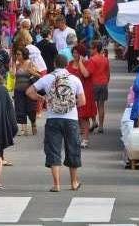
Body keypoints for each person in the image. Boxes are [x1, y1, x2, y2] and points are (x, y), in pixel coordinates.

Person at [26, 55, 86, 192]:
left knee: (53, 150)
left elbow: (29, 92)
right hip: (71, 119)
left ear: (54, 63)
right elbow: (83, 101)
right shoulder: (74, 79)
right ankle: (74, 182)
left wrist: (42, 98)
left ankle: (56, 184)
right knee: (73, 149)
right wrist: (69, 104)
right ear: (67, 65)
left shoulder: (47, 78)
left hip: (53, 119)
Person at [67, 46, 97, 147]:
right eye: (74, 52)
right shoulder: (70, 64)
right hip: (71, 94)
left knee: (84, 117)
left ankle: (85, 139)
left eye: (77, 53)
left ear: (82, 54)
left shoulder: (88, 63)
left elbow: (86, 74)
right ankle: (76, 138)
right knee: (75, 117)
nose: (75, 55)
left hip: (85, 93)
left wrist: (80, 62)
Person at [13, 48, 40, 136]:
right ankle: (23, 129)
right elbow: (13, 76)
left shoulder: (30, 63)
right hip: (18, 90)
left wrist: (31, 71)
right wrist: (13, 66)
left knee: (31, 109)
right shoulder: (17, 65)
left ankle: (33, 123)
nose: (17, 56)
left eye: (19, 54)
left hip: (29, 90)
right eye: (16, 54)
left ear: (24, 55)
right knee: (20, 109)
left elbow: (39, 75)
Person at [88, 42, 111, 133]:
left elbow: (88, 73)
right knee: (101, 105)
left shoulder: (92, 60)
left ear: (95, 49)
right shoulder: (105, 59)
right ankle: (101, 126)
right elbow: (108, 73)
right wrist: (106, 81)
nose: (90, 50)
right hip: (103, 83)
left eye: (91, 48)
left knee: (91, 105)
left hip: (94, 84)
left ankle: (94, 121)